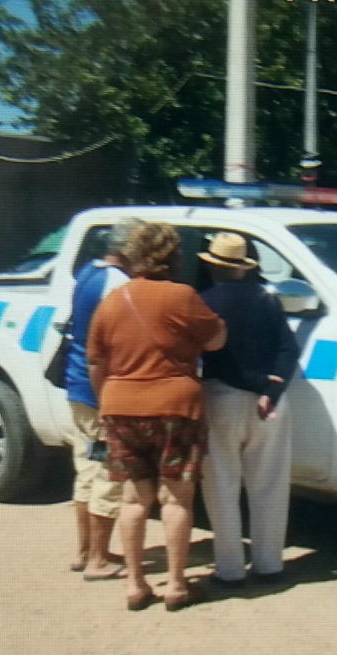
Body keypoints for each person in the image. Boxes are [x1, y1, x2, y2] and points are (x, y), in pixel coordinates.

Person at [87, 222, 226, 612]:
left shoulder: (113, 300)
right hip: (175, 407)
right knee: (176, 499)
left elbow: (95, 360)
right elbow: (216, 340)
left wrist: (106, 403)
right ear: (173, 258)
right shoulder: (183, 297)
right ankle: (177, 586)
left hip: (121, 406)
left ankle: (135, 584)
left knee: (134, 498)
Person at [198, 232, 300, 586]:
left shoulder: (204, 301)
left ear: (212, 266)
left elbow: (214, 357)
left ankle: (229, 570)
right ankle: (270, 563)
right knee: (270, 484)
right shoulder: (268, 301)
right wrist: (270, 388)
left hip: (220, 399)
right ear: (244, 268)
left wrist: (250, 383)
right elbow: (289, 350)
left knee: (221, 485)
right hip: (269, 403)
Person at [65, 220, 135, 581]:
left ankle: (85, 551)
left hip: (78, 387)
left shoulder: (89, 272)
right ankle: (99, 559)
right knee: (107, 470)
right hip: (100, 392)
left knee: (88, 467)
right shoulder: (119, 284)